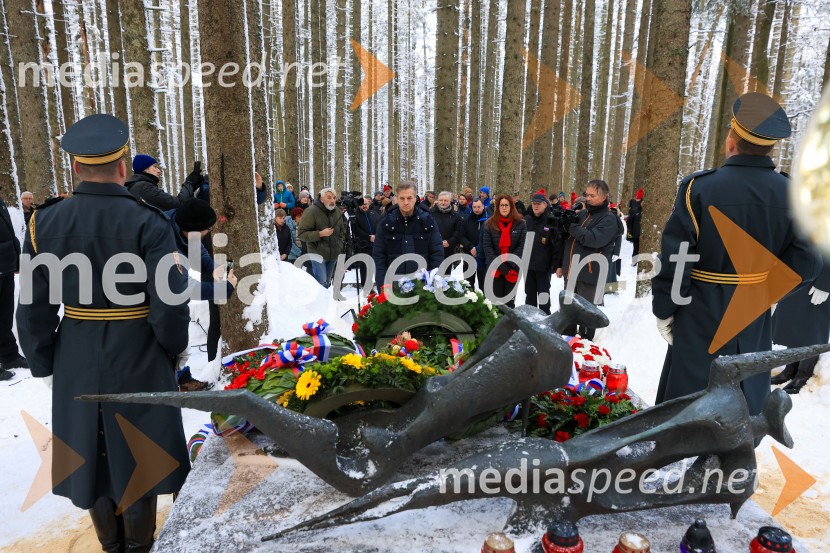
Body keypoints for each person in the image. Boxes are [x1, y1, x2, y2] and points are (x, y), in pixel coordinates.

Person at [16, 114, 191, 552]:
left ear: (74, 168)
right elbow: (169, 303)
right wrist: (176, 348)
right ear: (121, 166)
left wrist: (43, 362)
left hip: (74, 349)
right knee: (141, 456)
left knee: (89, 454)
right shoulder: (149, 222)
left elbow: (32, 306)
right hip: (140, 349)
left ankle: (112, 547)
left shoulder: (43, 223)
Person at [652, 92, 822, 416]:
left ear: (732, 140)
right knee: (745, 403)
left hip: (698, 310)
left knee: (686, 405)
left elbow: (676, 258)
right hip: (753, 313)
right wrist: (766, 291)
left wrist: (665, 308)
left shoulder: (697, 188)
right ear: (772, 146)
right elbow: (808, 261)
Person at [167, 199, 237, 372]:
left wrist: (214, 269)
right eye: (209, 229)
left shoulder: (184, 227)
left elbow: (200, 255)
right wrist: (224, 289)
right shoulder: (165, 241)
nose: (209, 231)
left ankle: (179, 376)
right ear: (197, 230)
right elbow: (184, 287)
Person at [557, 179, 620, 339]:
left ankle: (586, 350)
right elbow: (570, 237)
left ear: (604, 197)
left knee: (586, 317)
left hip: (590, 275)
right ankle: (567, 344)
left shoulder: (608, 219)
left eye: (592, 195)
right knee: (568, 315)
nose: (588, 198)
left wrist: (571, 227)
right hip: (571, 272)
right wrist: (563, 224)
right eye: (587, 195)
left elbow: (593, 239)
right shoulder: (584, 214)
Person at [771, 261, 830, 394]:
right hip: (797, 274)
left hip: (819, 277)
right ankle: (791, 368)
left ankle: (804, 372)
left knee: (812, 325)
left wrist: (825, 283)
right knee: (794, 323)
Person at [373, 180, 444, 288]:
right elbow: (379, 257)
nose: (406, 202)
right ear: (396, 198)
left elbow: (437, 254)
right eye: (402, 198)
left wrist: (434, 283)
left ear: (415, 198)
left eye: (409, 198)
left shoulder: (428, 221)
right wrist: (382, 286)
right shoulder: (386, 223)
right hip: (393, 285)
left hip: (422, 287)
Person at [482, 194, 527, 308]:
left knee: (509, 304)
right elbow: (487, 247)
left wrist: (508, 265)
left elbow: (522, 246)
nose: (504, 208)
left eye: (506, 205)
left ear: (511, 207)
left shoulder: (521, 223)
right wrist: (501, 267)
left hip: (512, 269)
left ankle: (509, 326)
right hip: (495, 269)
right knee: (495, 303)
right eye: (501, 205)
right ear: (497, 207)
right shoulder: (489, 224)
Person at [297, 188, 346, 288]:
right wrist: (320, 234)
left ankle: (325, 303)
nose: (332, 201)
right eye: (329, 197)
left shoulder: (337, 211)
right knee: (321, 285)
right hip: (317, 254)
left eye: (334, 198)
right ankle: (319, 303)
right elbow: (301, 234)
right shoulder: (311, 211)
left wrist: (339, 245)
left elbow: (342, 231)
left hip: (333, 254)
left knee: (327, 284)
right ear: (321, 198)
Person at [0, 196, 26, 380]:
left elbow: (8, 231)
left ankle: (9, 356)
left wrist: (16, 259)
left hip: (5, 264)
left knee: (4, 314)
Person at [524, 191, 559, 314]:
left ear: (545, 204)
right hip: (528, 266)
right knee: (529, 294)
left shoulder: (551, 221)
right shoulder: (526, 220)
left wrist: (555, 264)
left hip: (544, 266)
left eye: (538, 203)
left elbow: (556, 244)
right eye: (534, 203)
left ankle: (545, 317)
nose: (536, 206)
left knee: (544, 294)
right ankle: (530, 318)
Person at [125, 154, 200, 210]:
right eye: (155, 167)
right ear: (145, 169)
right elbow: (177, 204)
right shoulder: (144, 187)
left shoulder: (135, 187)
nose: (159, 171)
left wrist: (190, 188)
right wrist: (189, 183)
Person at [352, 195, 382, 288]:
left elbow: (380, 225)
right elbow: (356, 230)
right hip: (363, 244)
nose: (364, 206)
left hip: (376, 243)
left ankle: (379, 285)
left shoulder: (374, 213)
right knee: (365, 266)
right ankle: (366, 285)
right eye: (361, 204)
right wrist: (368, 237)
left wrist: (377, 236)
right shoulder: (355, 215)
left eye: (365, 204)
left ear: (369, 203)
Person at [459, 198, 488, 289]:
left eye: (478, 207)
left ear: (483, 206)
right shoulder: (467, 220)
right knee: (468, 283)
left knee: (484, 284)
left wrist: (479, 249)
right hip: (469, 254)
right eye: (474, 207)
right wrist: (470, 247)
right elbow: (461, 236)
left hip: (484, 256)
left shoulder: (489, 220)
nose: (476, 209)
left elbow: (489, 238)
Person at [431, 191, 461, 261]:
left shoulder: (456, 216)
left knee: (447, 271)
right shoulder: (430, 214)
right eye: (441, 200)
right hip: (433, 249)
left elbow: (458, 231)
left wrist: (450, 242)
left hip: (449, 250)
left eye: (446, 200)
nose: (443, 202)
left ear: (450, 201)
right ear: (437, 201)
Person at [626, 188, 643, 260]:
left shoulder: (643, 203)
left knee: (637, 246)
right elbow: (630, 214)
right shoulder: (632, 201)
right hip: (634, 227)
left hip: (638, 227)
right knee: (636, 246)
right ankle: (634, 260)